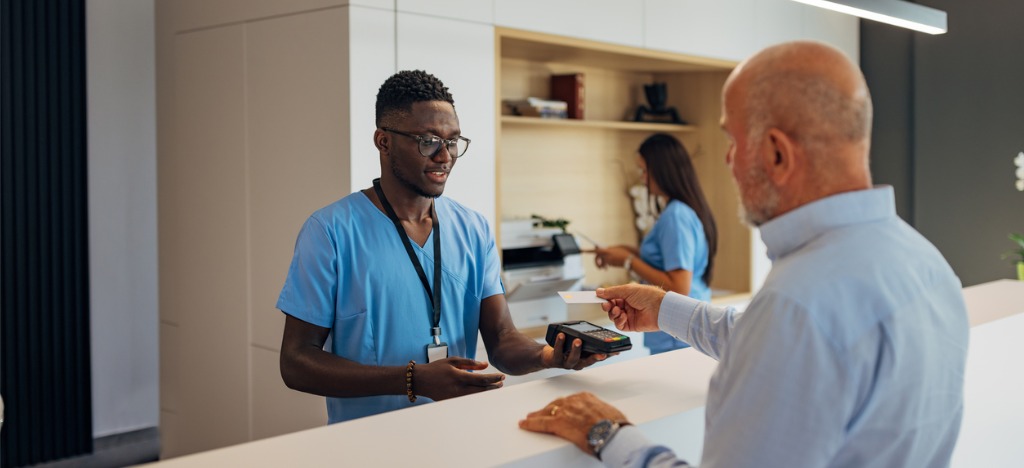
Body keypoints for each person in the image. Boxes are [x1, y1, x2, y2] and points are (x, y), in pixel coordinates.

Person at [519, 41, 970, 467]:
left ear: (776, 153)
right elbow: (772, 342)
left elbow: (785, 336)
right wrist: (664, 308)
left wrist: (608, 434)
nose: (728, 161)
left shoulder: (798, 306)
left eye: (732, 142)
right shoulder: (927, 263)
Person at [277, 70, 606, 424]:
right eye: (428, 140)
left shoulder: (473, 228)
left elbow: (501, 339)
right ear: (383, 141)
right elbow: (296, 362)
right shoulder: (330, 232)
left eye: (452, 141)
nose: (444, 156)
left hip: (455, 436)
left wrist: (549, 356)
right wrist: (413, 380)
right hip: (366, 446)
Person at [593, 133, 717, 354]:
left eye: (644, 170)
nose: (641, 178)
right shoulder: (680, 211)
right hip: (682, 328)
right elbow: (662, 259)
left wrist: (629, 261)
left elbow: (679, 287)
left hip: (676, 335)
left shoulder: (676, 216)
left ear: (662, 170)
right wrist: (622, 254)